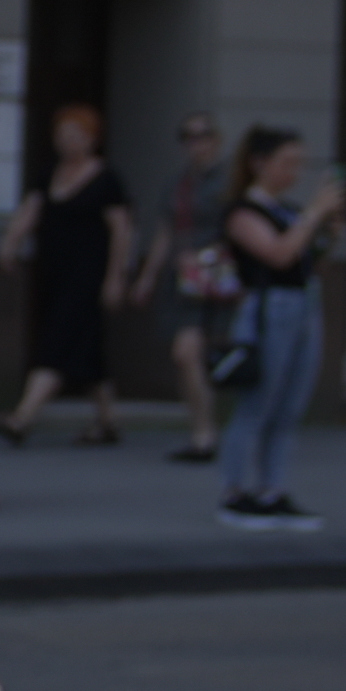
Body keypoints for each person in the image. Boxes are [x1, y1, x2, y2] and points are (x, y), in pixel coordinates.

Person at [214, 127, 345, 532]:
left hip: (304, 304)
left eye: (298, 163)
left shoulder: (286, 208)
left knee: (289, 406)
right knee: (258, 403)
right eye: (286, 163)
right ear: (259, 163)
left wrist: (329, 226)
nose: (294, 172)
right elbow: (278, 253)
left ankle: (272, 490)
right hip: (270, 308)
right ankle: (234, 494)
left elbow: (310, 257)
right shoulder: (243, 212)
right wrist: (313, 214)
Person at [1, 104, 133, 446]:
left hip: (88, 275)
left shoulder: (107, 179)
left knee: (57, 344)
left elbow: (121, 230)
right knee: (87, 350)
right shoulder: (48, 174)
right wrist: (10, 242)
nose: (68, 141)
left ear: (92, 139)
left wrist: (116, 277)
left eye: (77, 135)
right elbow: (31, 211)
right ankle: (108, 421)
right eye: (63, 135)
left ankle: (23, 417)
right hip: (54, 273)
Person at [131, 113, 233, 462]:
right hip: (182, 280)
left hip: (215, 280)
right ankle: (202, 430)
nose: (196, 143)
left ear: (215, 140)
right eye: (188, 137)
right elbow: (166, 231)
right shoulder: (177, 183)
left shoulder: (228, 181)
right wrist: (147, 275)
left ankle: (207, 432)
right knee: (186, 355)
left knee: (191, 353)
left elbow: (238, 228)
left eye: (203, 135)